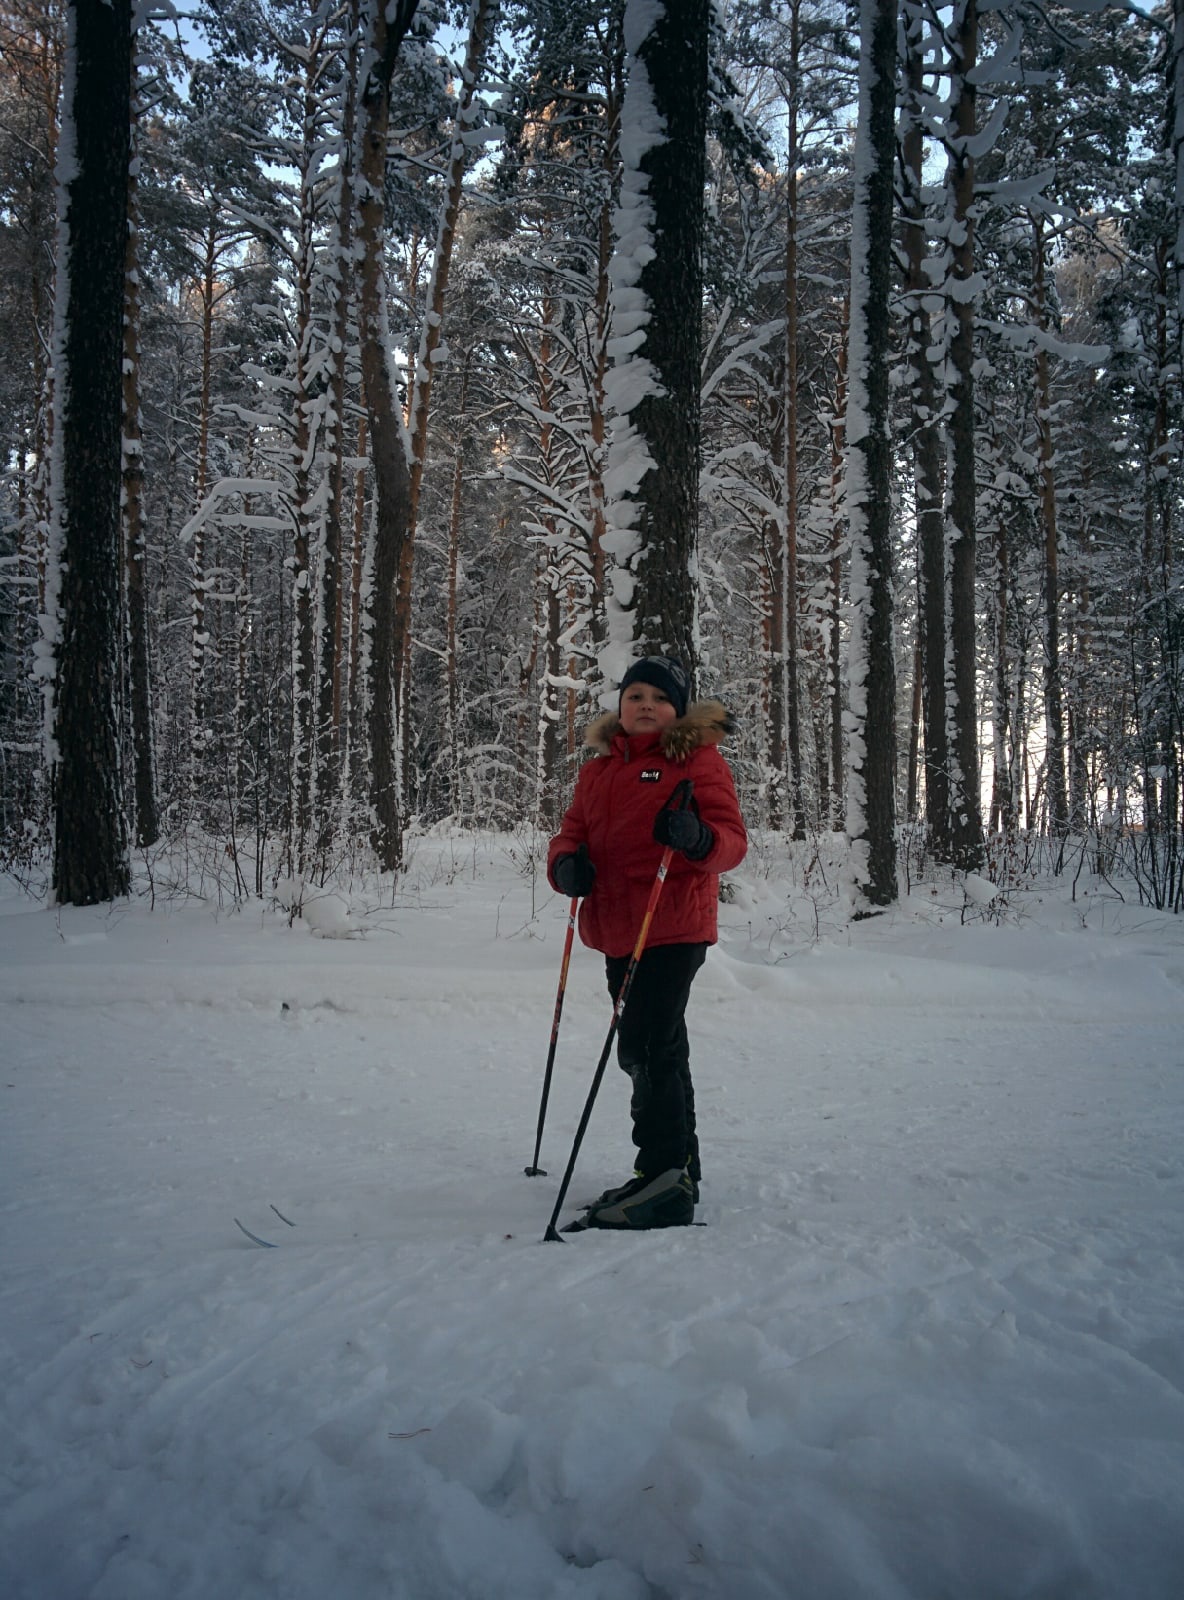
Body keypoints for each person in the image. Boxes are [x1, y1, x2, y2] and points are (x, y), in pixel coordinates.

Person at [547, 656, 747, 1229]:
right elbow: (572, 833)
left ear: (677, 710)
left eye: (659, 699)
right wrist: (565, 866)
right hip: (617, 929)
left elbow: (732, 841)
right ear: (620, 706)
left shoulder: (698, 762)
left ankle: (661, 1179)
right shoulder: (600, 770)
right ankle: (680, 1170)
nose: (645, 707)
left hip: (672, 924)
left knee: (643, 1048)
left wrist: (698, 837)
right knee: (661, 1047)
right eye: (635, 696)